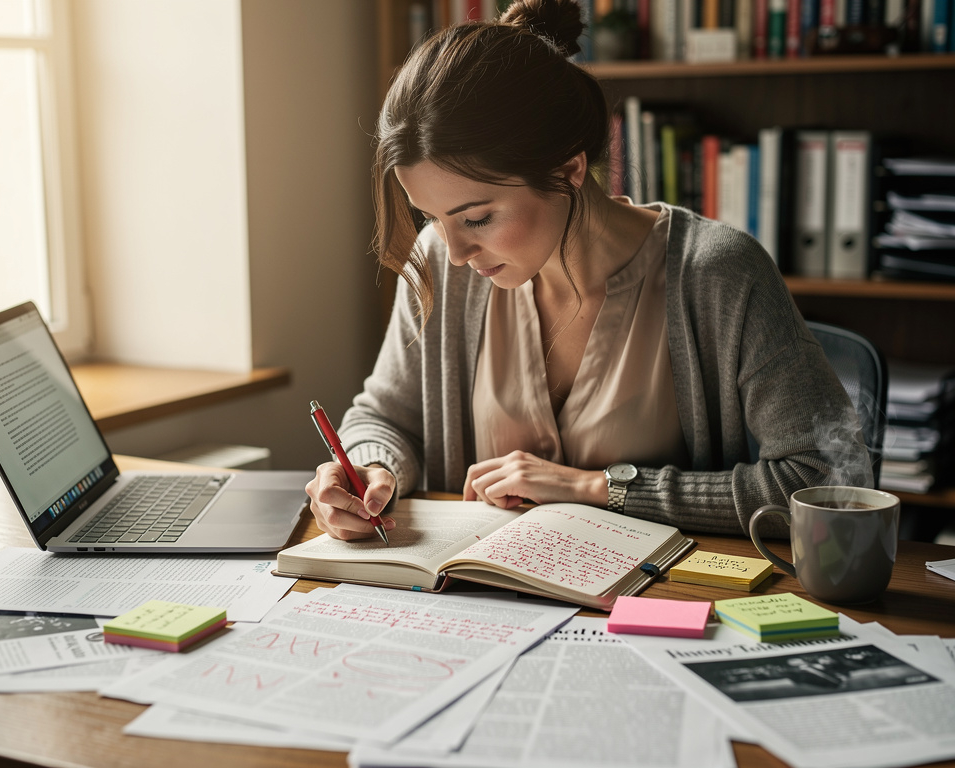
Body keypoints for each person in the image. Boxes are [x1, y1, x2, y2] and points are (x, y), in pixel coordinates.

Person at [305, 0, 871, 541]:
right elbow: (384, 416)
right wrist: (370, 471)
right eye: (432, 217)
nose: (454, 253)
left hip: (659, 612)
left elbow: (832, 482)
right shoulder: (440, 264)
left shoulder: (719, 274)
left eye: (476, 218)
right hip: (484, 606)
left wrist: (600, 488)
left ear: (570, 168)